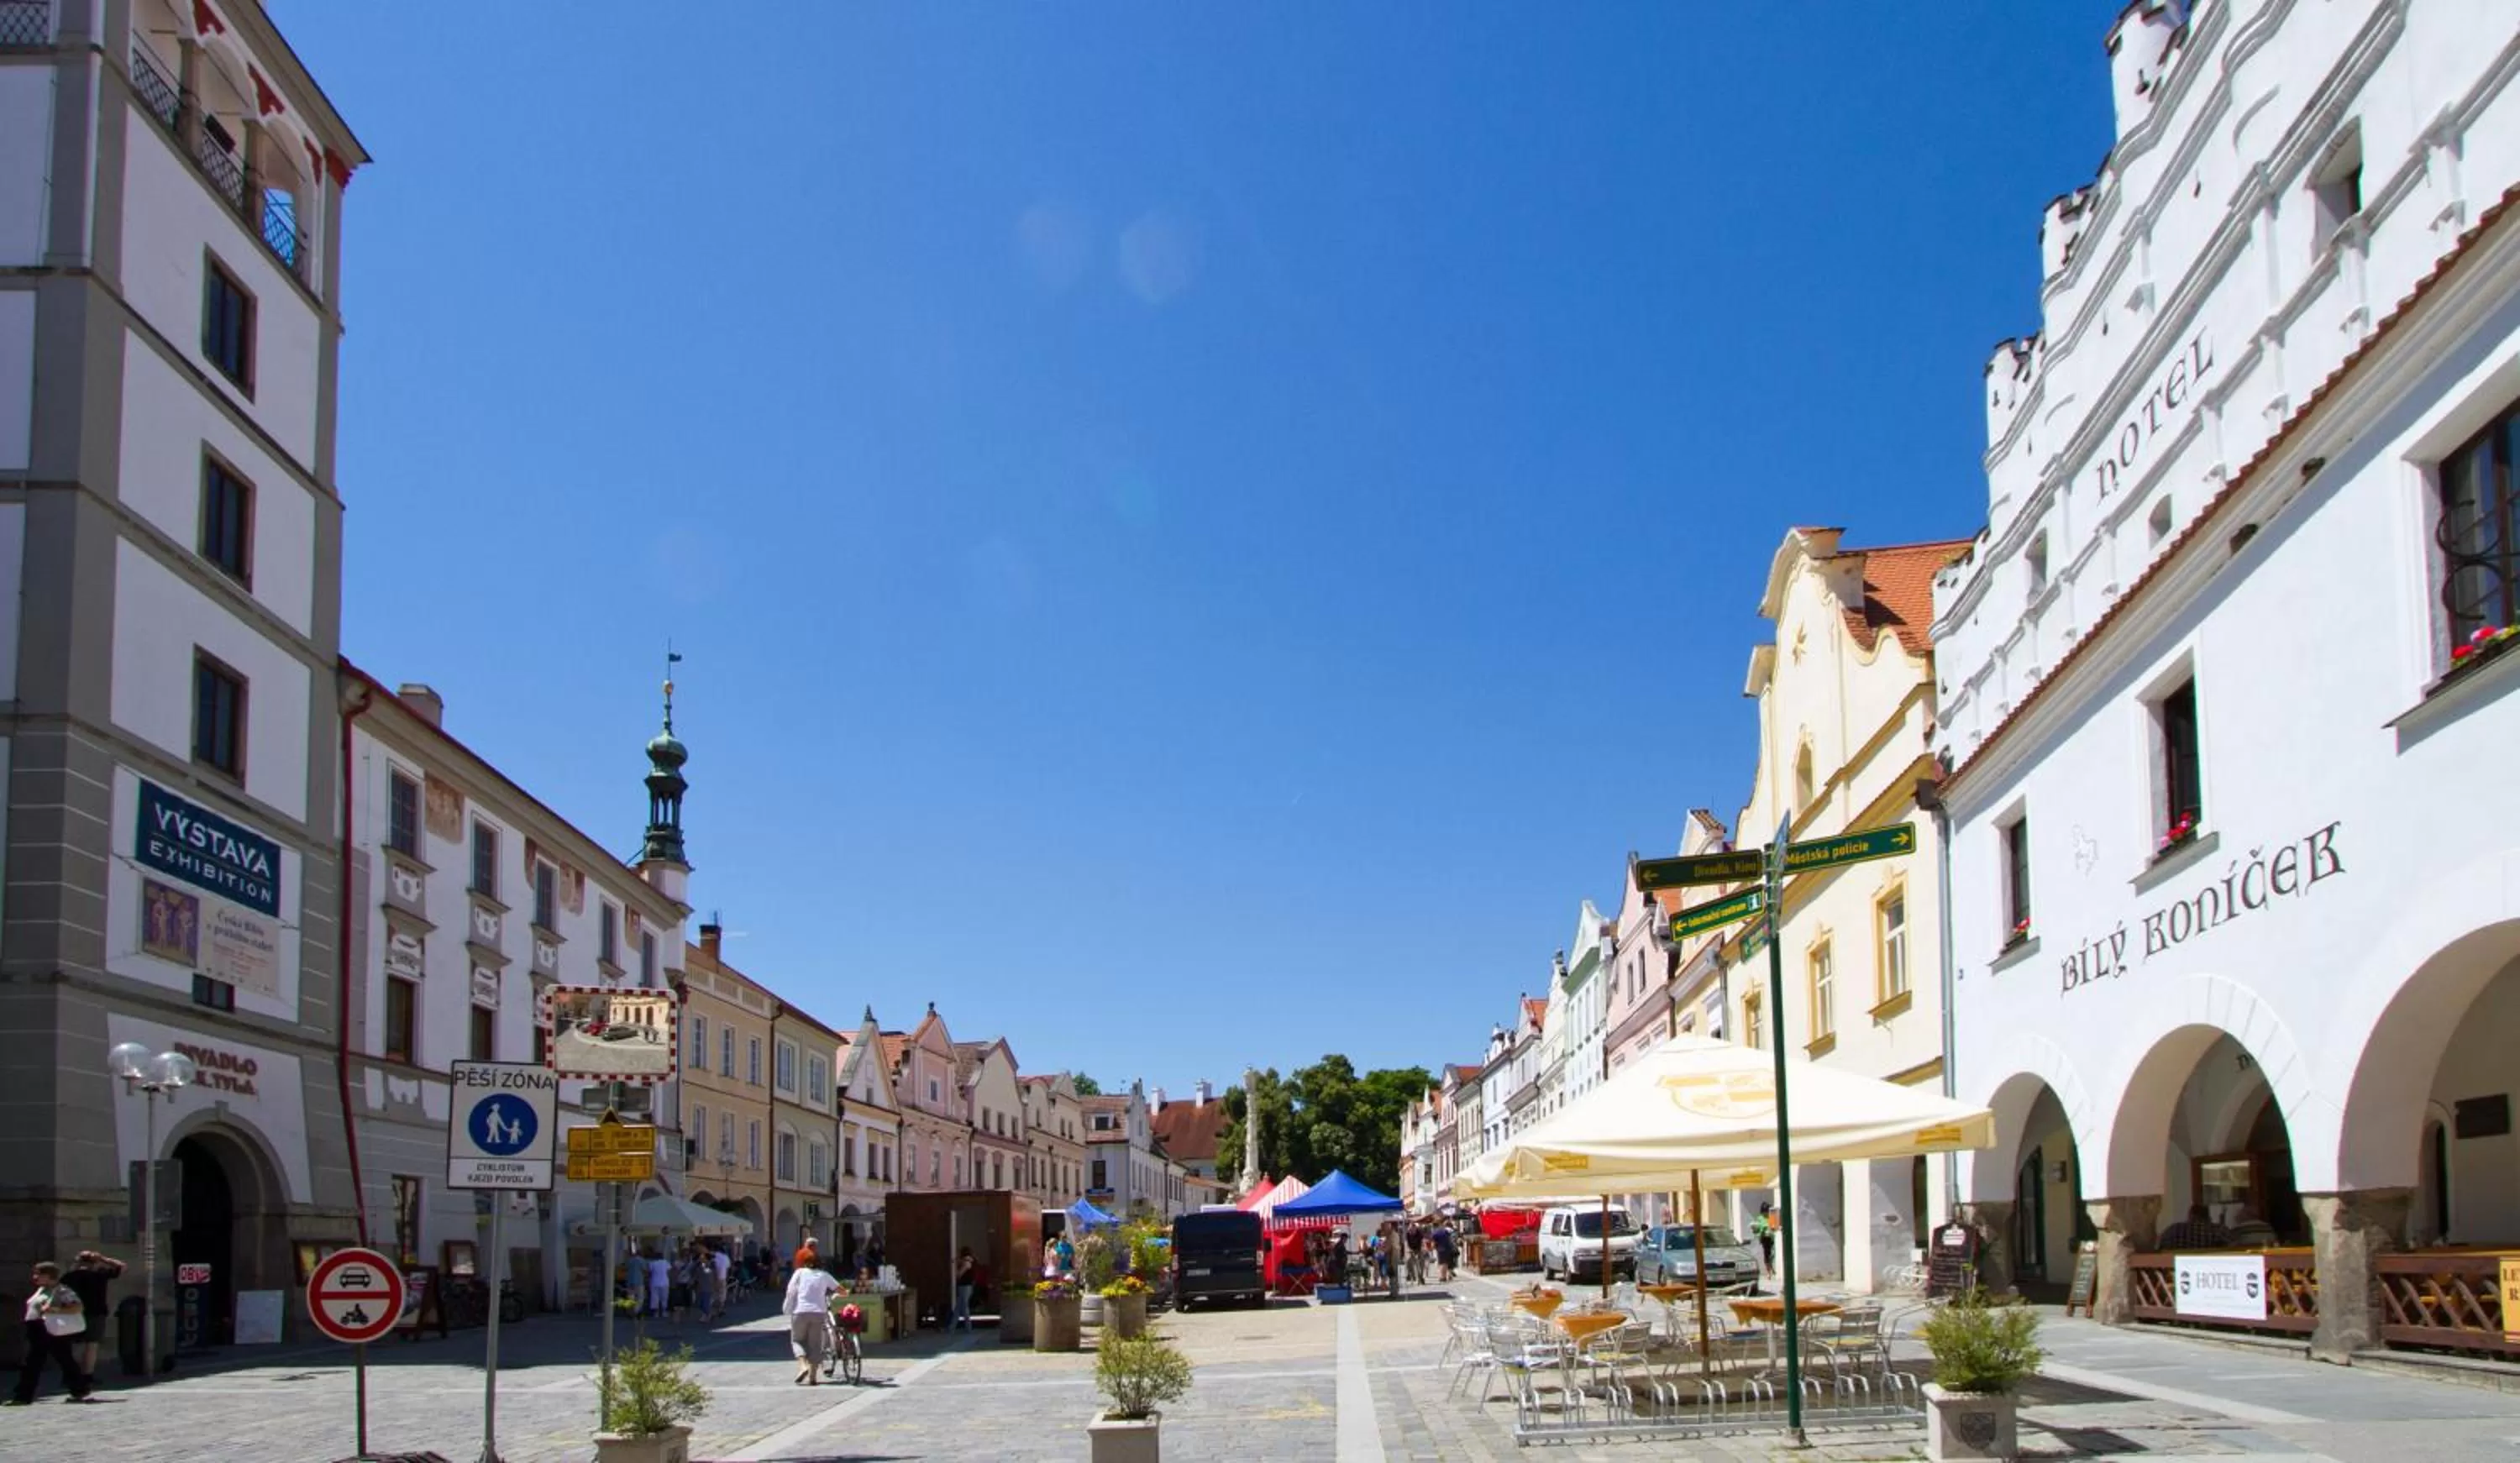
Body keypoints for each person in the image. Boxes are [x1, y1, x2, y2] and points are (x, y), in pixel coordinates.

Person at [9, 1262, 94, 1405]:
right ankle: (79, 1388)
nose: (35, 1277)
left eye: (38, 1274)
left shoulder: (61, 1290)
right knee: (64, 1359)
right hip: (36, 1328)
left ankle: (23, 1396)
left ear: (48, 1276)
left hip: (48, 1329)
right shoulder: (41, 1290)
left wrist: (54, 1310)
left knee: (34, 1362)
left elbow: (77, 1307)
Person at [60, 1251, 123, 1384]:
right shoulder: (99, 1275)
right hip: (96, 1313)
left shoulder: (70, 1276)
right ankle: (87, 1375)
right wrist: (103, 1258)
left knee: (73, 1344)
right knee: (92, 1345)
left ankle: (71, 1374)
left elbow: (62, 1286)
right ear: (94, 1263)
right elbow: (121, 1267)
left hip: (74, 1313)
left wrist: (76, 1265)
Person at [781, 1256, 840, 1385]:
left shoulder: (799, 1273)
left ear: (806, 1264)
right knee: (815, 1344)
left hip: (800, 1311)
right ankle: (813, 1377)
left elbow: (790, 1290)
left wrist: (788, 1306)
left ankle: (803, 1366)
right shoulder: (824, 1275)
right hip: (819, 1312)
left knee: (797, 1341)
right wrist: (845, 1293)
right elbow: (839, 1289)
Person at [2158, 1203, 2234, 1251]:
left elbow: (2160, 1248)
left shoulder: (2174, 1229)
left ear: (2190, 1215)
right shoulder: (2219, 1230)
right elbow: (2234, 1248)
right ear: (2208, 1217)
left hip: (2178, 1269)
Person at [951, 1248, 976, 1332]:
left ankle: (968, 1327)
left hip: (965, 1287)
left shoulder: (966, 1263)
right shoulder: (970, 1261)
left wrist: (955, 1266)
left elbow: (959, 1274)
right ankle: (952, 1327)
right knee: (958, 1307)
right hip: (967, 1287)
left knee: (964, 1307)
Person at [708, 1243, 732, 1318]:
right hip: (723, 1277)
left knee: (713, 1294)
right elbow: (728, 1268)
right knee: (722, 1294)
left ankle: (710, 1310)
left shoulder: (712, 1257)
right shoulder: (725, 1257)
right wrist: (727, 1277)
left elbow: (710, 1267)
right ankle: (720, 1309)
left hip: (714, 1278)